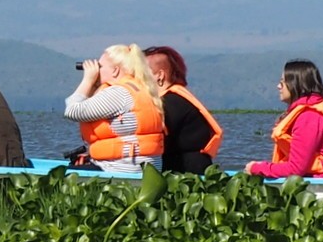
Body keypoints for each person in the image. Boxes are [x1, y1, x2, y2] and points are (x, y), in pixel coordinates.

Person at [246, 59, 323, 179]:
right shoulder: (311, 110)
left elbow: (296, 169)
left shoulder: (309, 116)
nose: (278, 86)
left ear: (295, 84)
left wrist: (256, 168)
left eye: (282, 82)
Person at [64, 43, 165, 173]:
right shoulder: (140, 89)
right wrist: (94, 86)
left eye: (100, 66)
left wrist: (88, 80)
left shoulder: (119, 93)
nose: (96, 70)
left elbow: (72, 111)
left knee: (62, 176)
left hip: (120, 170)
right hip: (145, 169)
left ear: (115, 70)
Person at [144, 45, 222, 173]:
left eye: (142, 74)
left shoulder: (172, 102)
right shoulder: (176, 98)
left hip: (186, 173)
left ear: (159, 75)